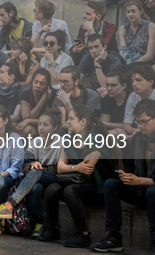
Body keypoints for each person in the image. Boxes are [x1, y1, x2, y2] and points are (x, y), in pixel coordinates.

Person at [39, 105, 115, 248]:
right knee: (52, 189)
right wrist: (75, 167)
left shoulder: (96, 139)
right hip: (76, 181)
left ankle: (83, 235)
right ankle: (53, 229)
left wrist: (73, 168)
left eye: (71, 118)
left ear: (83, 121)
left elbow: (87, 170)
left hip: (97, 188)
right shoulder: (68, 138)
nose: (67, 122)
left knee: (70, 191)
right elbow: (60, 167)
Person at [91, 98, 155, 253]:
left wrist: (140, 180)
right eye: (138, 122)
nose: (140, 125)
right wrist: (126, 175)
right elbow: (131, 166)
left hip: (151, 191)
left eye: (144, 121)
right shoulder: (138, 139)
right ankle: (114, 237)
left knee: (152, 191)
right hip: (140, 190)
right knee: (111, 184)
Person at [0, 108, 62, 238]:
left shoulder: (61, 143)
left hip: (54, 178)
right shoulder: (35, 142)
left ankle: (9, 204)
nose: (41, 128)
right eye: (39, 124)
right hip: (36, 179)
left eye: (46, 125)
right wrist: (31, 163)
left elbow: (59, 167)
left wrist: (40, 168)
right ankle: (38, 224)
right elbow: (25, 164)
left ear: (55, 127)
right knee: (35, 187)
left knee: (36, 172)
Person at [70, 1, 118, 66]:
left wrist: (91, 30)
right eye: (85, 13)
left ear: (98, 17)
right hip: (88, 53)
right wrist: (75, 49)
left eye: (88, 14)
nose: (84, 16)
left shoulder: (111, 27)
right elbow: (79, 43)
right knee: (72, 57)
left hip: (106, 55)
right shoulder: (84, 25)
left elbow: (103, 47)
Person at [17, 68, 57, 138]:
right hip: (33, 127)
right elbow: (27, 116)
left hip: (47, 127)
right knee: (26, 130)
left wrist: (28, 121)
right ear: (32, 82)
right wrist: (42, 101)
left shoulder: (53, 95)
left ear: (48, 85)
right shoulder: (26, 94)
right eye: (35, 82)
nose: (38, 86)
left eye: (42, 84)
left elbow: (52, 120)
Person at [122, 64, 155, 138]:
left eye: (138, 80)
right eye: (132, 81)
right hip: (140, 133)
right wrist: (137, 133)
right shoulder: (132, 96)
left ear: (151, 82)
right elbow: (126, 124)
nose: (134, 84)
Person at [118, 0, 155, 65]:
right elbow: (123, 51)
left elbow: (150, 55)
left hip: (145, 62)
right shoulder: (122, 28)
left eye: (133, 11)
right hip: (128, 61)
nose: (130, 14)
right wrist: (128, 62)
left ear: (140, 12)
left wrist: (133, 64)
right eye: (128, 12)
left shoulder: (150, 26)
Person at [100, 66, 131, 135]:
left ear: (124, 86)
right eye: (107, 85)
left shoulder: (131, 98)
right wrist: (121, 125)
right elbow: (103, 122)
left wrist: (124, 126)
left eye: (113, 85)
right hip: (113, 132)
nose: (109, 88)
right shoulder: (107, 98)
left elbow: (131, 125)